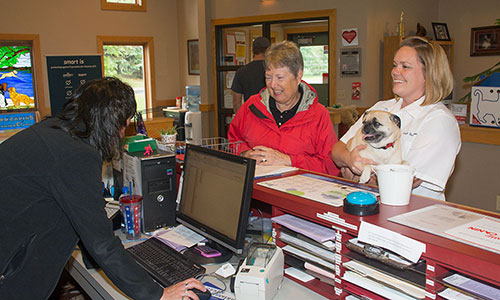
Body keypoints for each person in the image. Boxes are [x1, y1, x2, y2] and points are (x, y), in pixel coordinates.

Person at [0, 77, 206, 300]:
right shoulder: (75, 154)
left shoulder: (53, 131)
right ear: (110, 122)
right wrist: (157, 295)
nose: (120, 135)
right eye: (123, 126)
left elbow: (74, 208)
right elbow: (101, 243)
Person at [331, 36, 461, 200]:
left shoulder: (439, 120)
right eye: (394, 65)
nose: (395, 71)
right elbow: (337, 151)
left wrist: (354, 174)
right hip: (369, 206)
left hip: (413, 215)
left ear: (429, 74)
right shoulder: (380, 108)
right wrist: (349, 160)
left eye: (405, 66)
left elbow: (405, 181)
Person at [228, 40, 340, 176]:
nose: (273, 84)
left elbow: (329, 166)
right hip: (256, 193)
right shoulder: (251, 106)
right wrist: (245, 153)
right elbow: (234, 140)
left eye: (280, 78)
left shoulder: (318, 115)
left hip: (298, 192)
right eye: (268, 77)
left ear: (298, 76)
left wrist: (289, 160)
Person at [231, 36, 270, 113]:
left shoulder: (241, 72)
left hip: (250, 117)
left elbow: (236, 103)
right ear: (268, 50)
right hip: (269, 118)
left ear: (252, 50)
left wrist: (241, 121)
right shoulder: (272, 70)